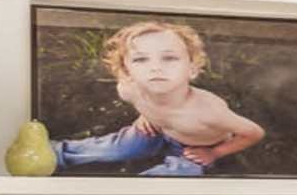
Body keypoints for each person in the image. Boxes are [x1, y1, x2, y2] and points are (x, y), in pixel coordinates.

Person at [56, 20, 264, 177]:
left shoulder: (207, 111)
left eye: (169, 58)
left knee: (181, 172)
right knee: (119, 147)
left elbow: (254, 133)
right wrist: (146, 117)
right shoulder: (129, 90)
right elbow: (143, 102)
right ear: (127, 72)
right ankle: (56, 153)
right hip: (156, 130)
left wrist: (215, 153)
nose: (156, 67)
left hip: (196, 147)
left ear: (192, 69)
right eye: (140, 59)